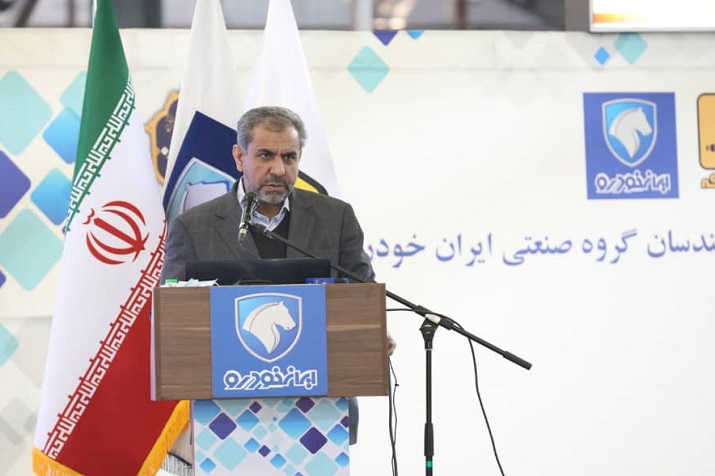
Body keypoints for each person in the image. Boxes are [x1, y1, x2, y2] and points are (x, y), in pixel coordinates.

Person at [160, 106, 396, 471]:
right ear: (239, 156)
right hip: (226, 423)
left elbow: (362, 293)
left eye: (289, 157)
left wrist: (372, 331)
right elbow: (170, 317)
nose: (278, 169)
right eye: (266, 156)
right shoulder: (194, 226)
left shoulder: (336, 217)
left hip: (319, 419)